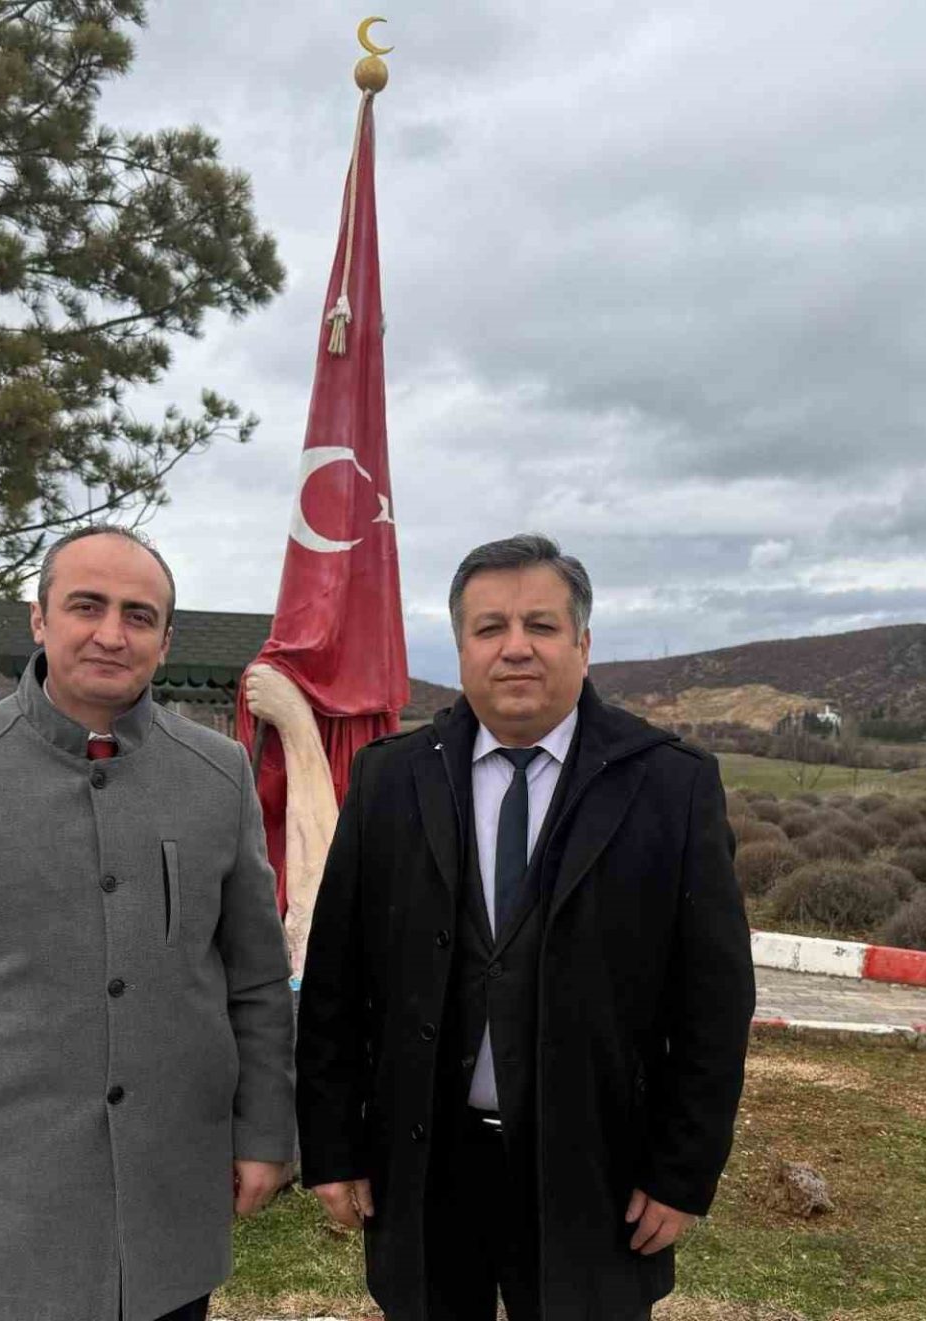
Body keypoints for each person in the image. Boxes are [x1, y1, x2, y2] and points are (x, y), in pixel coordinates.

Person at [295, 533, 755, 1321]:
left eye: (541, 625)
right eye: (490, 627)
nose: (516, 647)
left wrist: (682, 1171)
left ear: (583, 643)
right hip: (426, 1165)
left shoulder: (670, 785)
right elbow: (336, 978)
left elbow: (713, 1001)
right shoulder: (388, 778)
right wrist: (334, 1146)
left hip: (598, 1171)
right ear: (462, 648)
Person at [0, 525, 295, 1321]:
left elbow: (258, 978)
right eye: (87, 605)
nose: (111, 633)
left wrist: (266, 1130)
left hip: (170, 1190)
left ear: (165, 640)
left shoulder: (218, 774)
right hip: (3, 1192)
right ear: (40, 618)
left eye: (138, 615)